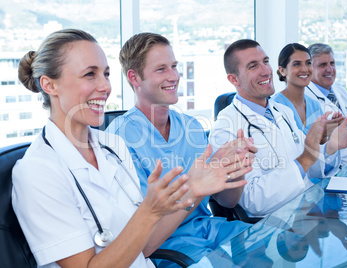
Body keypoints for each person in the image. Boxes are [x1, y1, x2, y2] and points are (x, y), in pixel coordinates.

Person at [12, 29, 251, 268]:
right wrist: (184, 194)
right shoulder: (36, 172)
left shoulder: (111, 146)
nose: (105, 86)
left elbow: (143, 243)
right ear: (49, 85)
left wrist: (217, 176)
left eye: (106, 74)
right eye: (89, 75)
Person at [106, 32, 257, 264]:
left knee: (272, 245)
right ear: (134, 78)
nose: (174, 76)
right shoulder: (119, 140)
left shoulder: (191, 126)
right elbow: (141, 245)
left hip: (210, 231)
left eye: (174, 66)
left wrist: (236, 168)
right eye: (161, 69)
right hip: (168, 248)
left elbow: (227, 202)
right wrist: (194, 190)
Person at [209, 39, 347, 217]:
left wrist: (331, 146)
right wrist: (306, 156)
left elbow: (311, 169)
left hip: (309, 212)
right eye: (253, 66)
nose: (266, 71)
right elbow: (253, 201)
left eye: (265, 62)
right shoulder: (226, 129)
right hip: (275, 227)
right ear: (233, 79)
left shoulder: (282, 111)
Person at [273, 43, 344, 140]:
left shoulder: (315, 105)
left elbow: (319, 142)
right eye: (297, 64)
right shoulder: (275, 106)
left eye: (308, 63)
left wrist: (327, 130)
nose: (305, 69)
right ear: (282, 71)